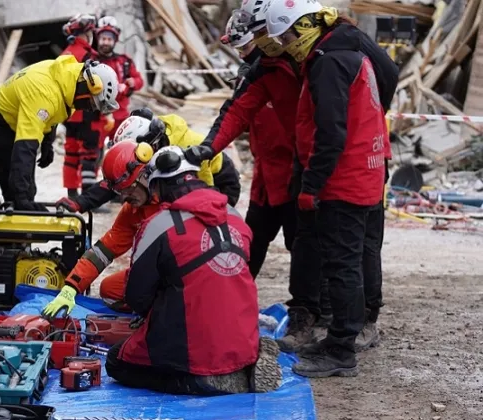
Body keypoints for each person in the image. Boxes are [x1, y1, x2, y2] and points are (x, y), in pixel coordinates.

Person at [265, 0, 392, 377]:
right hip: (361, 171)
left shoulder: (329, 62)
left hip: (344, 179)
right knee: (345, 262)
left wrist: (312, 184)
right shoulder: (348, 51)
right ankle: (340, 338)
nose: (285, 45)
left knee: (342, 265)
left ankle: (341, 350)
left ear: (303, 28)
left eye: (286, 37)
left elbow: (331, 132)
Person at [104, 145, 282, 395]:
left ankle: (203, 382)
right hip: (243, 337)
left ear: (158, 186)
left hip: (193, 347)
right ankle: (245, 362)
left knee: (117, 362)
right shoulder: (235, 217)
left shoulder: (158, 225)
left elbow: (136, 296)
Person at [41, 141, 164, 316]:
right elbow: (103, 251)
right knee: (109, 289)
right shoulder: (132, 211)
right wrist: (71, 287)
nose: (125, 198)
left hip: (183, 271)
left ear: (145, 176)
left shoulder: (174, 198)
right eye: (120, 192)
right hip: (157, 271)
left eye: (129, 189)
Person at [0, 55, 120, 211]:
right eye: (91, 103)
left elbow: (55, 112)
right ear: (89, 86)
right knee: (16, 190)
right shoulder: (44, 93)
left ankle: (20, 210)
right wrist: (21, 196)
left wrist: (48, 141)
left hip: (18, 117)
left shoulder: (69, 82)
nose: (90, 109)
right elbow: (25, 148)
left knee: (27, 190)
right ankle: (15, 213)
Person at [55, 109, 241, 213]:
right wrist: (80, 202)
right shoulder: (152, 147)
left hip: (221, 181)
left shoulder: (185, 150)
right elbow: (117, 181)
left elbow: (204, 193)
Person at [223, 16, 296, 279]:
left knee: (301, 245)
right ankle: (235, 292)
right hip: (265, 176)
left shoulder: (290, 73)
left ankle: (310, 300)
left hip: (294, 176)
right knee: (253, 240)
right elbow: (236, 118)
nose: (242, 56)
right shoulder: (253, 77)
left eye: (244, 48)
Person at [60, 14, 108, 202]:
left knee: (71, 154)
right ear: (88, 33)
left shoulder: (65, 54)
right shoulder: (89, 56)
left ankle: (72, 194)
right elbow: (98, 86)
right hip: (88, 113)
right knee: (89, 155)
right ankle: (88, 198)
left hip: (68, 113)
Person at [93, 16, 144, 141]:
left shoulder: (124, 61)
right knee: (94, 150)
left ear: (115, 41)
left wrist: (133, 82)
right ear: (98, 40)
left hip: (121, 116)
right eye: (103, 39)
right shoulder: (91, 61)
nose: (106, 42)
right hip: (97, 117)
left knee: (121, 147)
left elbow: (140, 81)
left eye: (109, 39)